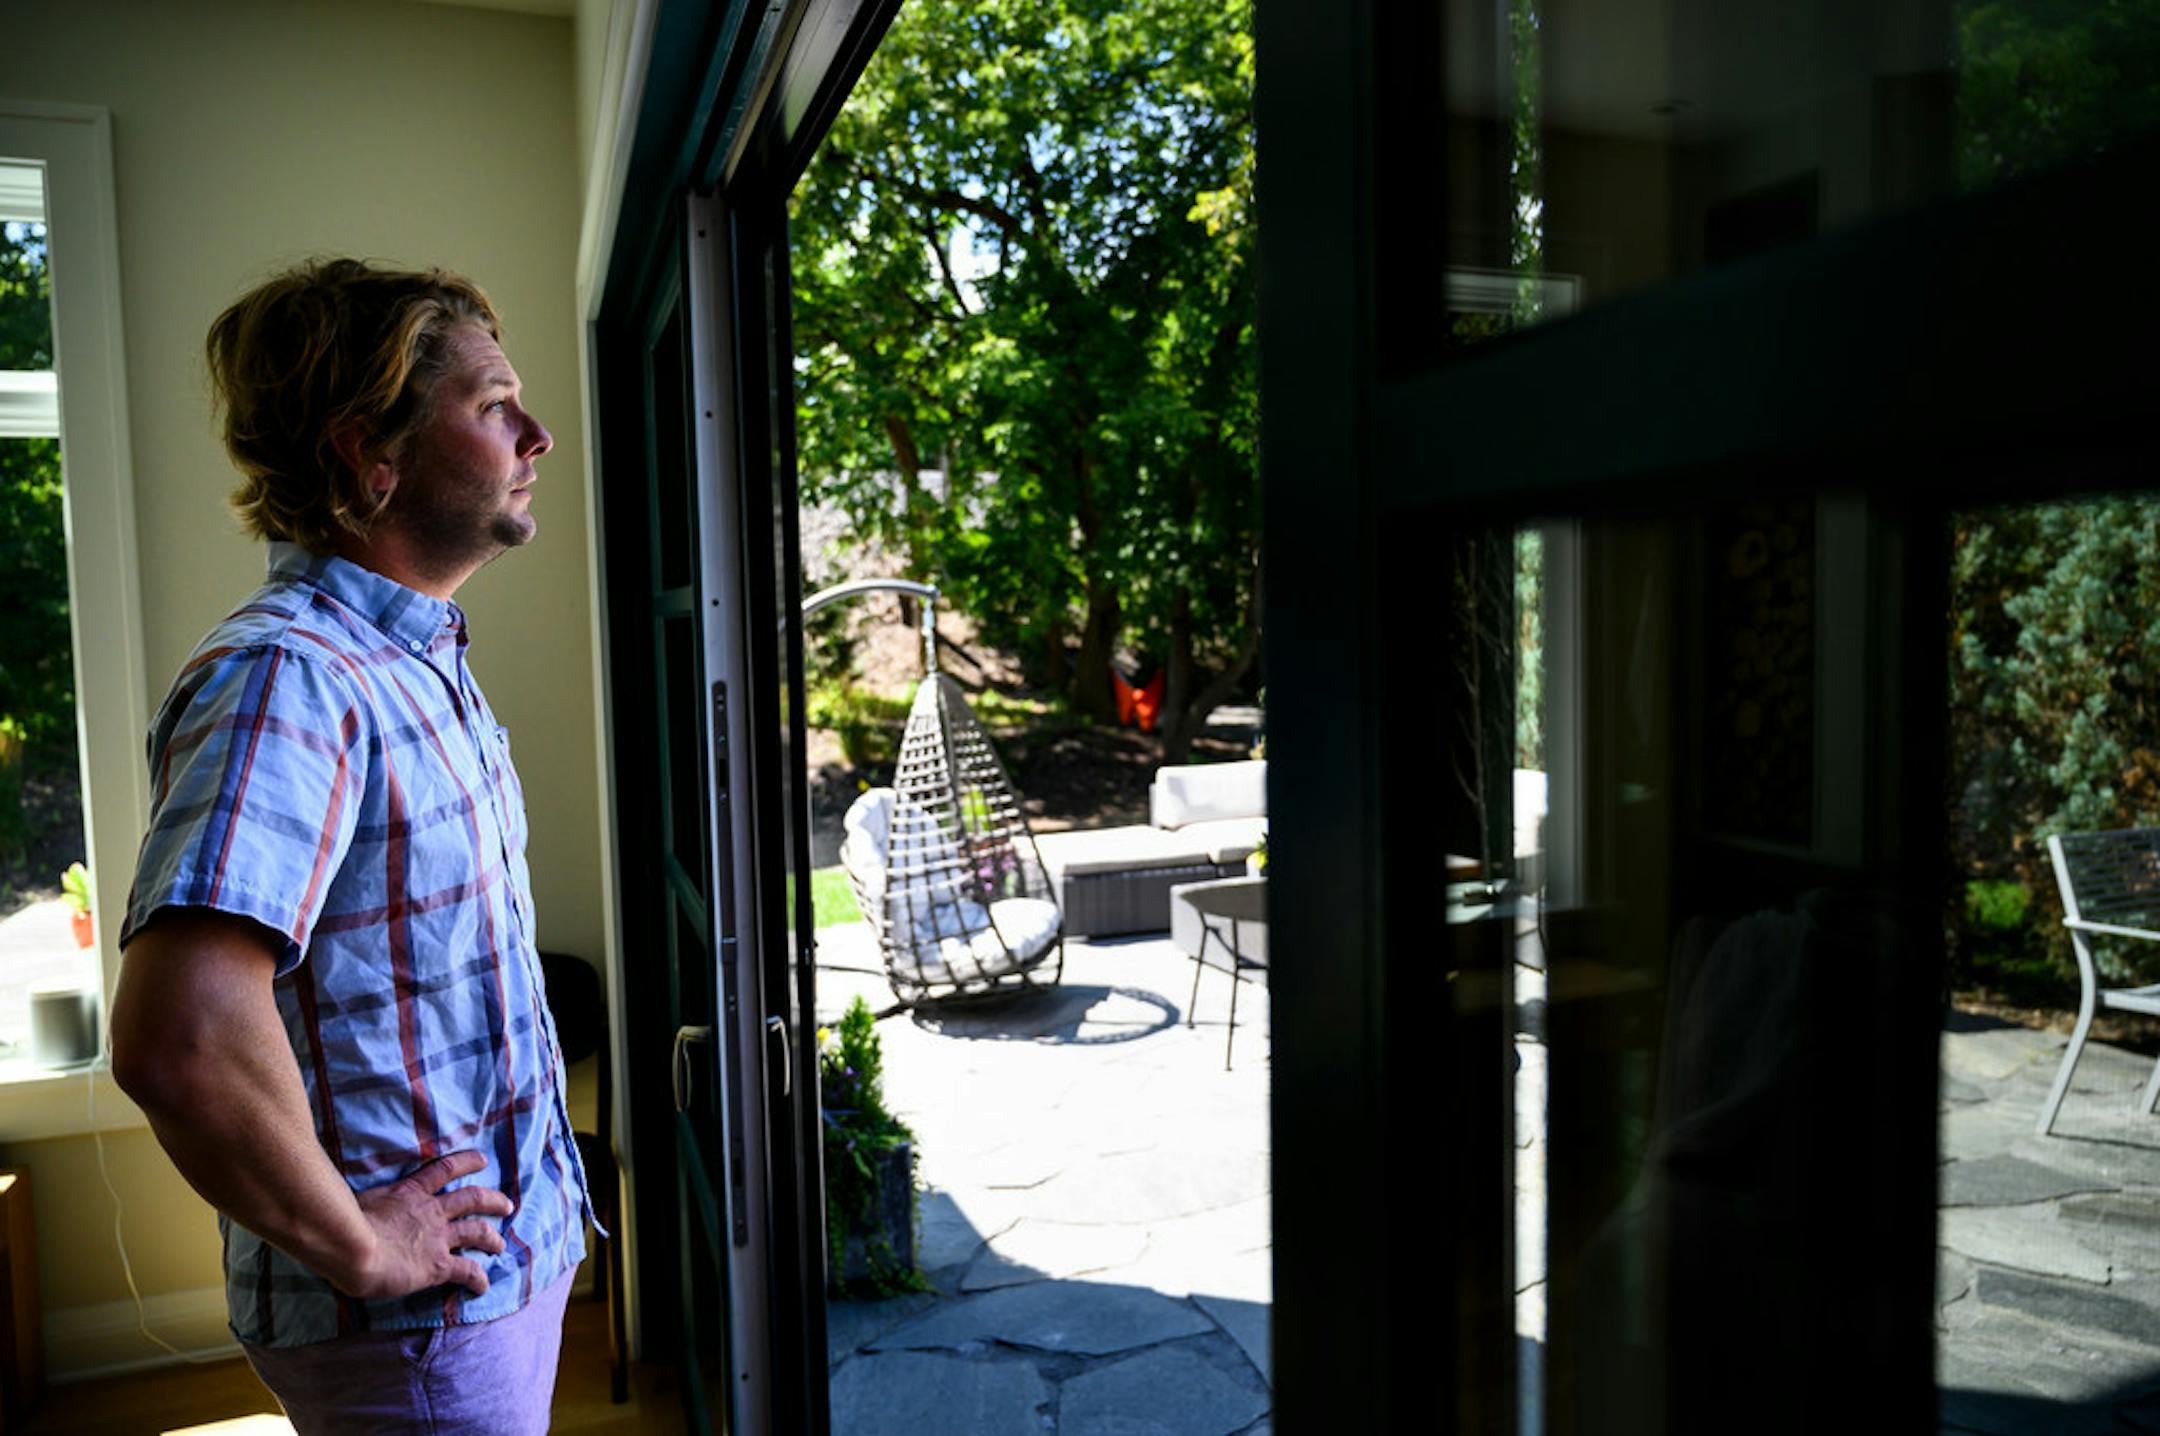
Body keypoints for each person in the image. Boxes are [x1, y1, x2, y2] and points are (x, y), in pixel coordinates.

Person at [109, 258, 592, 1435]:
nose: (534, 434)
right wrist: (364, 1245)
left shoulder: (411, 664)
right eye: (490, 406)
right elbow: (180, 1035)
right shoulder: (292, 678)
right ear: (364, 455)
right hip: (410, 1328)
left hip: (485, 1287)